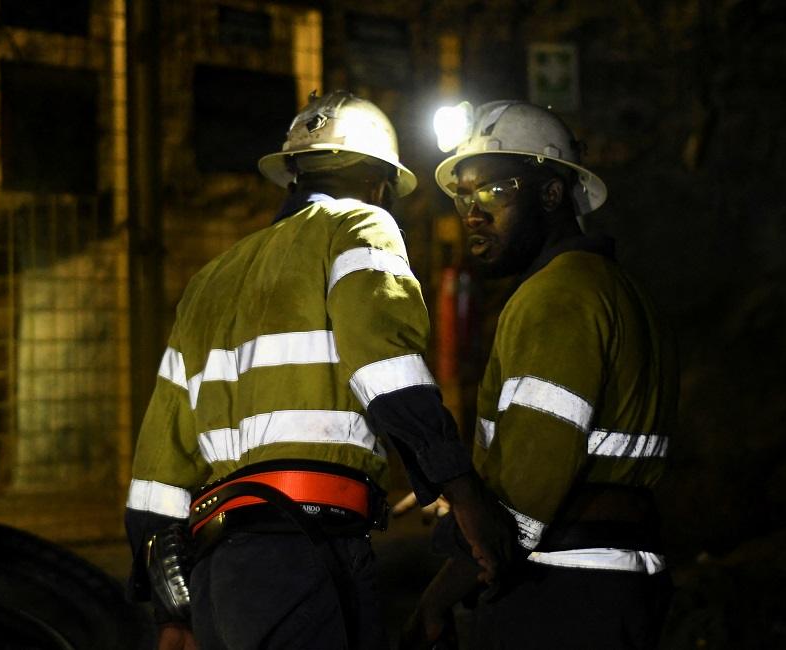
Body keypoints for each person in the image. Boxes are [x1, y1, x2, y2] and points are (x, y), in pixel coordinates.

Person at [123, 90, 510, 650]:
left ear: (294, 176)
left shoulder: (212, 277)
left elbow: (159, 467)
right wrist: (462, 490)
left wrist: (171, 609)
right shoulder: (359, 225)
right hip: (306, 551)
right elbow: (386, 365)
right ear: (379, 181)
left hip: (216, 576)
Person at [401, 101, 679, 649]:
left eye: (493, 191)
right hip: (620, 579)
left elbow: (530, 484)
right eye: (463, 194)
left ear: (551, 194)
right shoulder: (620, 289)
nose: (472, 211)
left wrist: (441, 592)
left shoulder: (558, 294)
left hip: (564, 584)